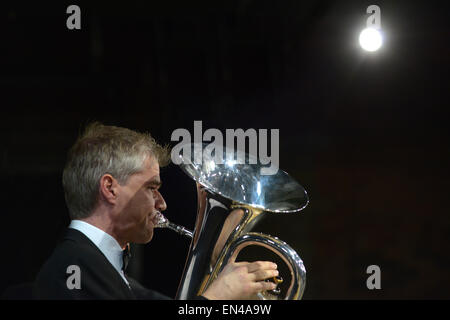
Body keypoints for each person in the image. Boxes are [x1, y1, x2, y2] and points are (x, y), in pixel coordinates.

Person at [33, 122, 278, 300]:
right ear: (110, 188)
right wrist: (220, 294)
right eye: (151, 188)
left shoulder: (117, 278)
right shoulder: (73, 267)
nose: (162, 203)